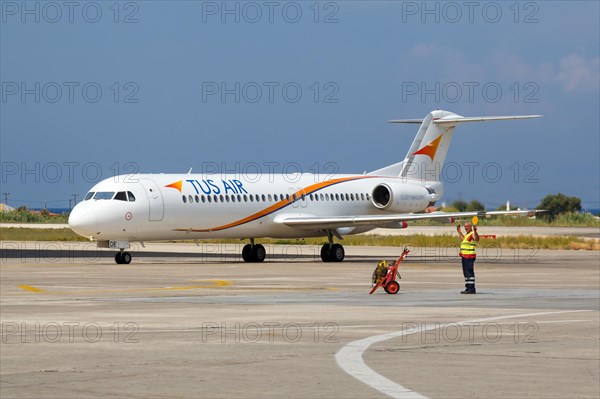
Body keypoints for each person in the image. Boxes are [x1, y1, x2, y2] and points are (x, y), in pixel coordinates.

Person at [457, 221, 479, 294]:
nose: (465, 228)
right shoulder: (467, 234)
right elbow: (463, 239)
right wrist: (459, 232)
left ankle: (471, 289)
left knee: (469, 273)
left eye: (467, 226)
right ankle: (468, 287)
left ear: (470, 227)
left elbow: (476, 239)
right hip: (465, 256)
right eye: (465, 227)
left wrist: (475, 231)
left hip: (469, 256)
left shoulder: (472, 233)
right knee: (466, 273)